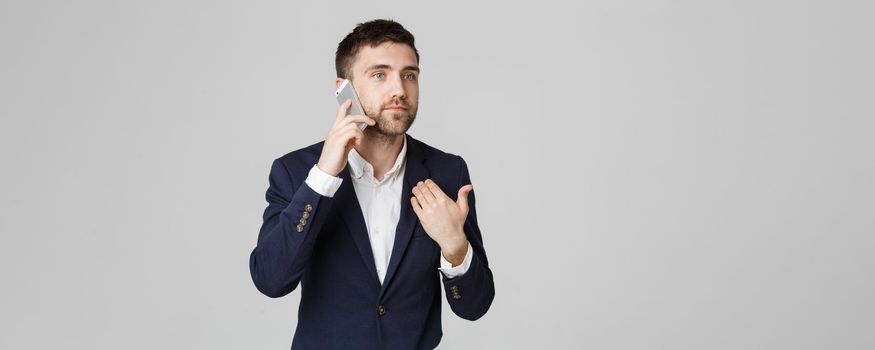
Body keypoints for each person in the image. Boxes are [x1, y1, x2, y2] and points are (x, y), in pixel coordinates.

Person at [249, 19, 495, 349]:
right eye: (380, 74)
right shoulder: (295, 172)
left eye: (409, 75)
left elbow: (475, 306)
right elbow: (270, 280)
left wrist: (455, 247)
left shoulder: (447, 172)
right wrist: (322, 178)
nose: (399, 90)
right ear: (343, 89)